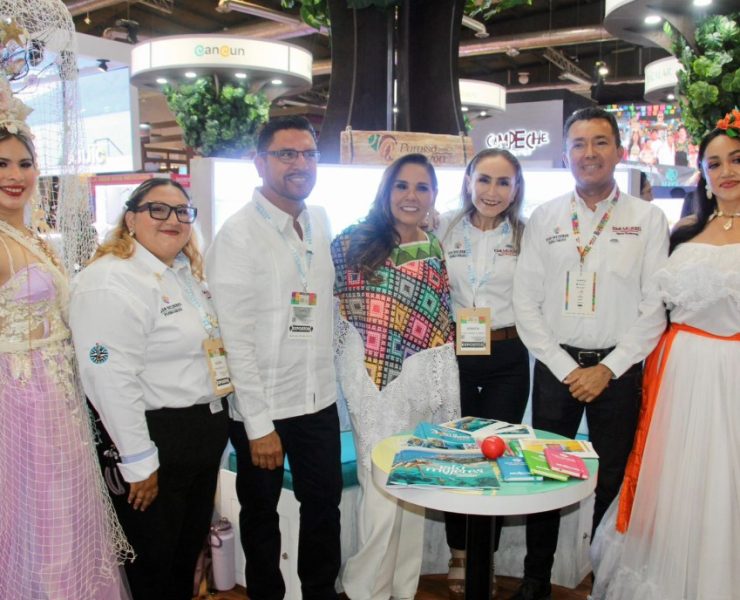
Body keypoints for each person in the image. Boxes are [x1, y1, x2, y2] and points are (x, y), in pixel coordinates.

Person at [511, 107, 670, 600]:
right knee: (546, 476)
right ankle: (536, 579)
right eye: (578, 144)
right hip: (556, 367)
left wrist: (608, 368)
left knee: (613, 479)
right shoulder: (546, 217)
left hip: (618, 372)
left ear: (619, 151)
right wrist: (565, 368)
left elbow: (655, 309)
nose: (589, 153)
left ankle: (605, 578)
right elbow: (525, 304)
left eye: (600, 142)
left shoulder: (648, 219)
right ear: (566, 155)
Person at [590, 110, 740, 600]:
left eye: (736, 159)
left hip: (731, 379)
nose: (726, 171)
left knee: (725, 483)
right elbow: (654, 313)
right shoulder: (685, 233)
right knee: (677, 485)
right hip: (679, 379)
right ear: (703, 175)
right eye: (714, 163)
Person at [0, 83, 131, 599]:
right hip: (18, 398)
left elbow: (72, 326)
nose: (15, 176)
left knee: (64, 515)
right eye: (1, 164)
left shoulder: (34, 237)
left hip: (59, 397)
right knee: (31, 517)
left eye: (24, 163)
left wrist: (103, 354)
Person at [69, 178, 229, 600]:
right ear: (130, 219)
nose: (172, 219)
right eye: (158, 209)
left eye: (182, 211)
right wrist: (139, 461)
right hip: (154, 441)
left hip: (198, 434)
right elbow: (107, 375)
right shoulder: (111, 280)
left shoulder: (182, 272)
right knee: (150, 568)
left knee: (182, 560)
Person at [206, 116, 342, 600]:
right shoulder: (238, 235)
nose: (299, 163)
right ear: (259, 162)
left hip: (318, 398)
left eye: (308, 153)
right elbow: (234, 338)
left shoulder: (319, 219)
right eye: (286, 154)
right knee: (261, 514)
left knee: (324, 508)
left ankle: (320, 593)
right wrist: (258, 425)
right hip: (263, 408)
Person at [332, 153, 457, 600]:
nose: (411, 196)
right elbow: (340, 314)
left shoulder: (433, 247)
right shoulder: (352, 241)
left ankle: (403, 587)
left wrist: (441, 391)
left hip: (421, 380)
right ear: (387, 190)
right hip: (370, 380)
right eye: (402, 185)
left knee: (412, 483)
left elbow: (440, 323)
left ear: (433, 195)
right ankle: (366, 588)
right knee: (380, 484)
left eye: (422, 187)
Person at [436, 148, 530, 598]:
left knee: (494, 454)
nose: (492, 191)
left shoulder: (527, 235)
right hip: (455, 352)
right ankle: (459, 551)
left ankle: (484, 554)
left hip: (508, 356)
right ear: (469, 181)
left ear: (515, 188)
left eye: (503, 182)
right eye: (484, 180)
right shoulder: (443, 227)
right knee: (458, 454)